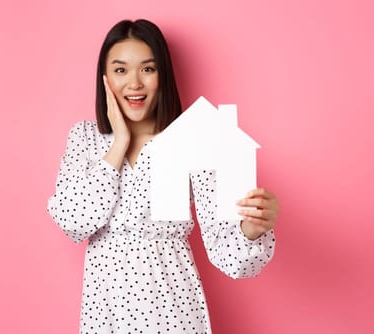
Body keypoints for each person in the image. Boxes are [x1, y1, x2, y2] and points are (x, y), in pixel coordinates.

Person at [46, 19, 278, 333]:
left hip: (172, 307)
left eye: (147, 69)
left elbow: (228, 254)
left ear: (162, 75)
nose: (134, 84)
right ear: (104, 79)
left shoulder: (194, 137)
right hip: (106, 312)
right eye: (120, 70)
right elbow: (74, 220)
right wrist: (119, 144)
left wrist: (252, 228)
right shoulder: (85, 139)